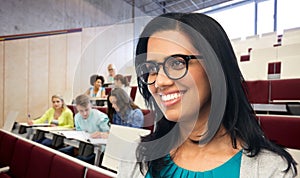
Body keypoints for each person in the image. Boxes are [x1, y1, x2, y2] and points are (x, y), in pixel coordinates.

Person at [118, 13, 297, 177]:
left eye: (177, 63)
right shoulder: (136, 156)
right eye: (152, 68)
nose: (160, 82)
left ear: (216, 67)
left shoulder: (272, 170)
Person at [59, 94, 110, 164]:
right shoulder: (77, 117)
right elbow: (79, 133)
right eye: (81, 111)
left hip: (98, 150)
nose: (84, 113)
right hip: (83, 146)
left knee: (76, 161)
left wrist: (101, 134)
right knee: (61, 154)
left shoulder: (100, 117)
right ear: (77, 108)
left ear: (90, 106)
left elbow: (109, 135)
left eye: (87, 110)